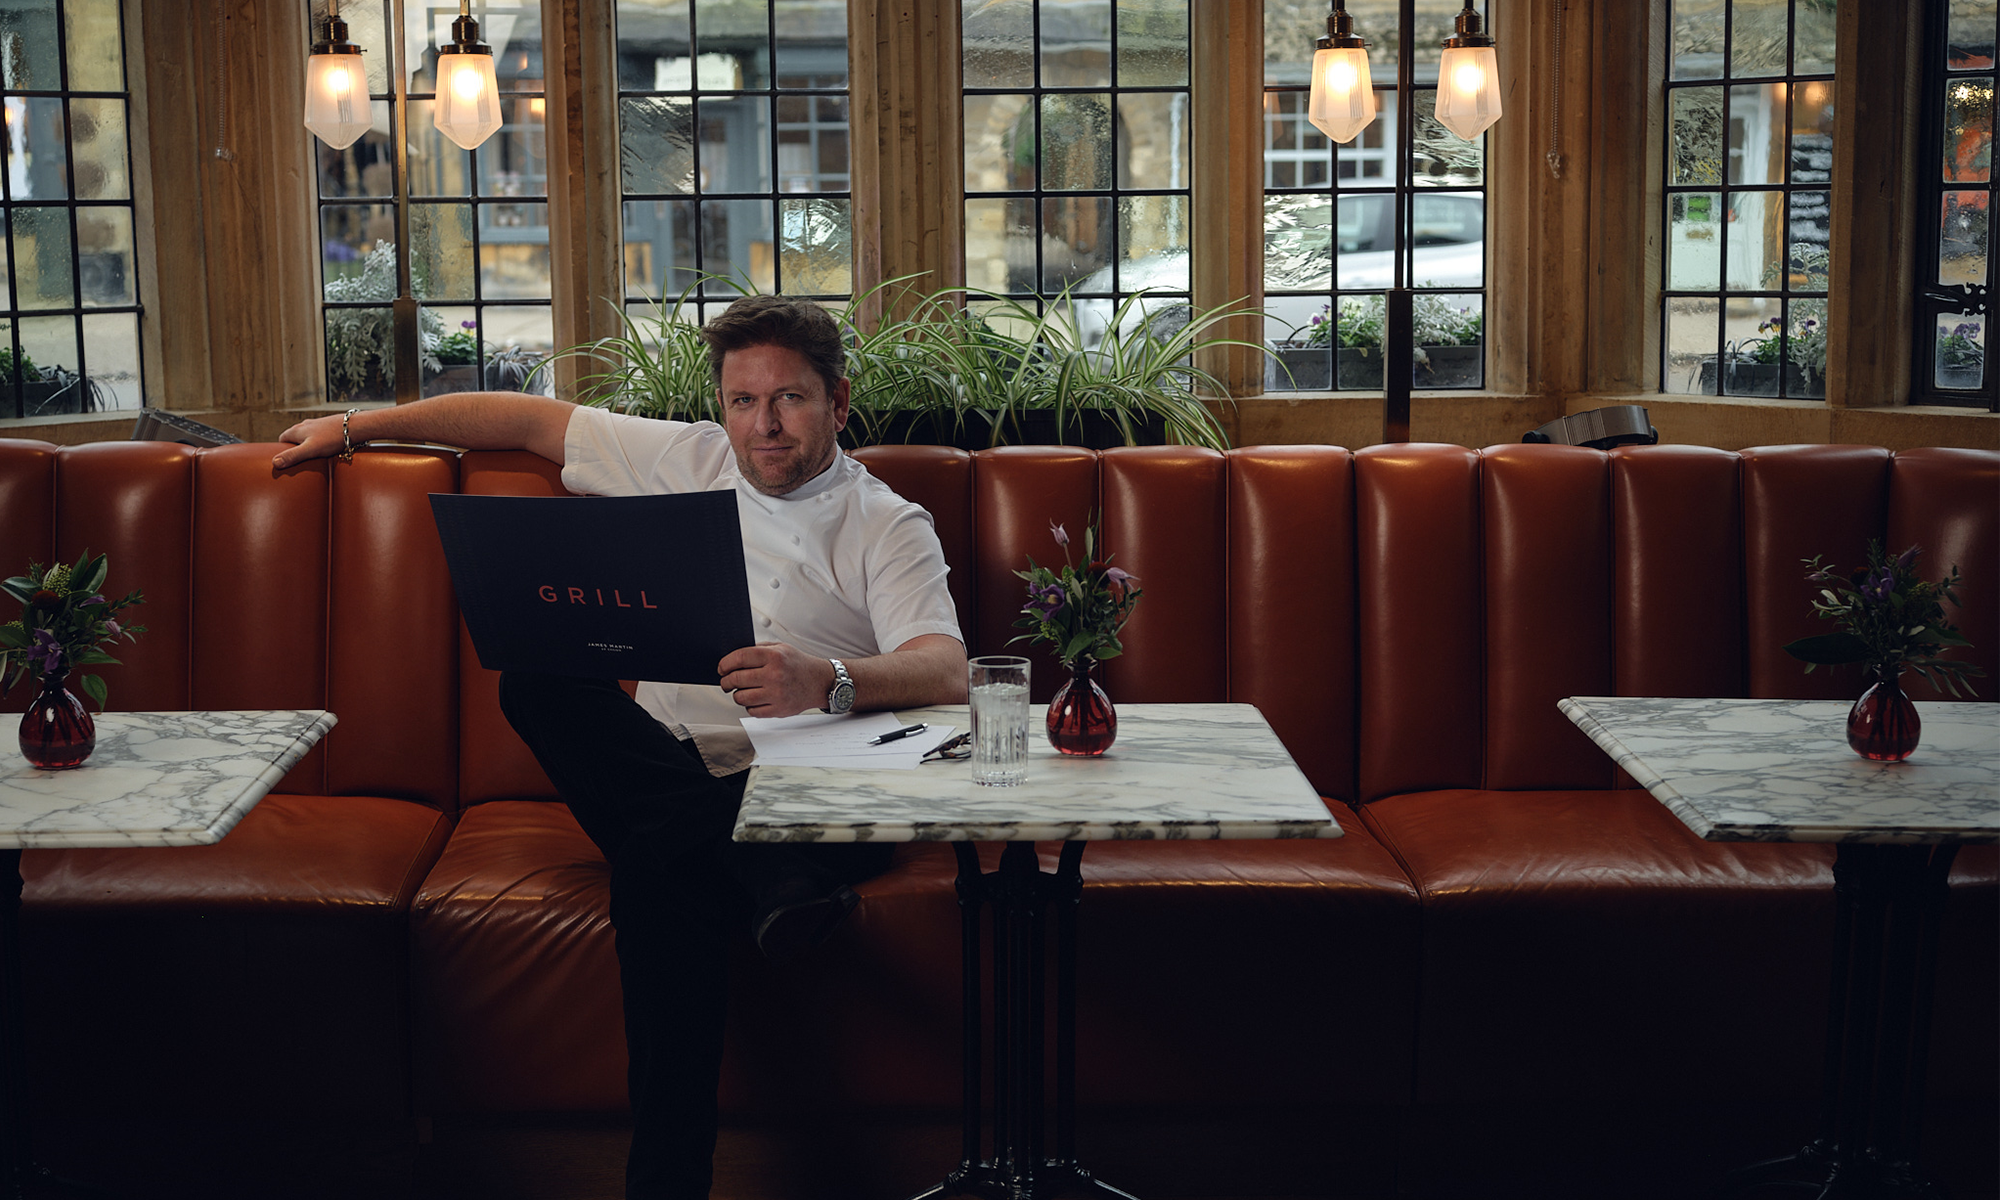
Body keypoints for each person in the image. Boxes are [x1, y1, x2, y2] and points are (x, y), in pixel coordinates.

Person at [273, 295, 968, 1199]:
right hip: (675, 773)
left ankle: (663, 1185)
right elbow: (520, 417)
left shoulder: (886, 520)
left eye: (789, 400)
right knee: (534, 678)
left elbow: (946, 668)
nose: (763, 425)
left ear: (838, 402)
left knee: (658, 875)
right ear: (720, 404)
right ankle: (762, 877)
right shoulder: (683, 458)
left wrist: (828, 679)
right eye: (743, 400)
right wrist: (355, 424)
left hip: (810, 789)